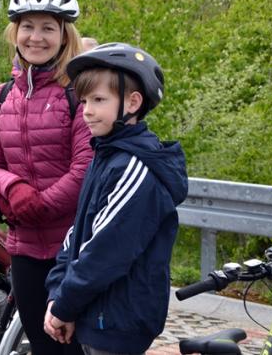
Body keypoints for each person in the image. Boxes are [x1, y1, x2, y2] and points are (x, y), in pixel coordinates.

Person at [44, 43, 188, 354]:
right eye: (84, 101)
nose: (87, 111)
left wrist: (64, 305)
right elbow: (79, 232)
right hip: (95, 312)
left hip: (117, 318)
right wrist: (58, 295)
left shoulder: (133, 167)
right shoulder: (106, 156)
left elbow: (105, 252)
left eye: (98, 100)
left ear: (133, 102)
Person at [0, 0, 93, 355]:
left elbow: (84, 169)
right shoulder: (2, 97)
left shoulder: (78, 93)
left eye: (48, 27)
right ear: (15, 33)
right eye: (27, 26)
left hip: (74, 249)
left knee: (73, 349)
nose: (36, 37)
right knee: (44, 347)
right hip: (24, 250)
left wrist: (39, 205)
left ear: (64, 36)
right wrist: (13, 188)